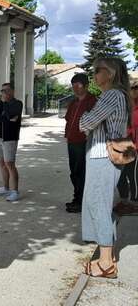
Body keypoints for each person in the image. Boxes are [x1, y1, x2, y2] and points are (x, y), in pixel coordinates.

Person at [79, 57, 130, 279]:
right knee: (101, 203)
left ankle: (107, 262)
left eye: (97, 70)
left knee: (98, 204)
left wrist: (84, 118)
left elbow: (87, 123)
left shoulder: (111, 95)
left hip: (103, 155)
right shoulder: (118, 95)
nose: (94, 75)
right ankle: (106, 256)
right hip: (106, 155)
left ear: (109, 73)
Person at [64, 73, 97, 213]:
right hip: (72, 141)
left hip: (83, 142)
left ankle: (81, 201)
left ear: (86, 86)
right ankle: (77, 198)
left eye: (78, 85)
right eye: (73, 85)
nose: (75, 88)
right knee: (74, 172)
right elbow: (68, 119)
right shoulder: (73, 102)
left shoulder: (92, 101)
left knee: (81, 172)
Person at [0, 83, 23, 201]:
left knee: (10, 164)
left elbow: (12, 117)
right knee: (1, 163)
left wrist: (4, 110)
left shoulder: (17, 103)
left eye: (7, 90)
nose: (4, 93)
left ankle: (15, 191)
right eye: (2, 90)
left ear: (12, 91)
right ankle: (5, 188)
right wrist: (3, 117)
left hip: (10, 138)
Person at [115, 80, 138, 216]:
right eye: (133, 88)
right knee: (120, 175)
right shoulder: (126, 106)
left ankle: (134, 202)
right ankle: (124, 200)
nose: (135, 90)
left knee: (133, 176)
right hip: (123, 145)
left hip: (135, 147)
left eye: (137, 88)